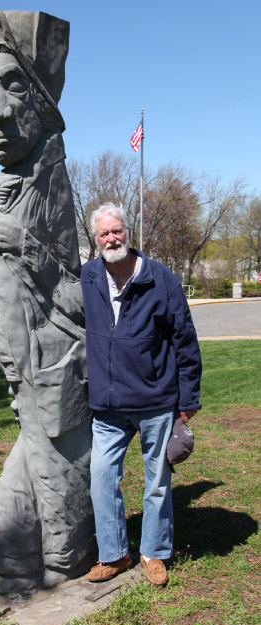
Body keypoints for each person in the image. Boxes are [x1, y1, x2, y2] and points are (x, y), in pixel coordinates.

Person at [0, 9, 95, 596]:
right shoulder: (21, 182)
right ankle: (18, 574)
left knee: (52, 548)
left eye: (14, 84)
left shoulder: (52, 184)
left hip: (56, 389)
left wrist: (31, 250)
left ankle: (67, 569)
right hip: (26, 392)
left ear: (43, 102)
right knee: (13, 540)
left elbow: (79, 305)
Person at [81, 202, 202, 587]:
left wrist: (188, 398)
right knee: (101, 476)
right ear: (95, 239)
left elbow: (185, 340)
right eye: (104, 234)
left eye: (117, 231)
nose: (111, 238)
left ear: (127, 233)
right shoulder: (87, 276)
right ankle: (115, 554)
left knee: (157, 482)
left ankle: (154, 553)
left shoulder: (161, 279)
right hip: (109, 404)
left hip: (155, 400)